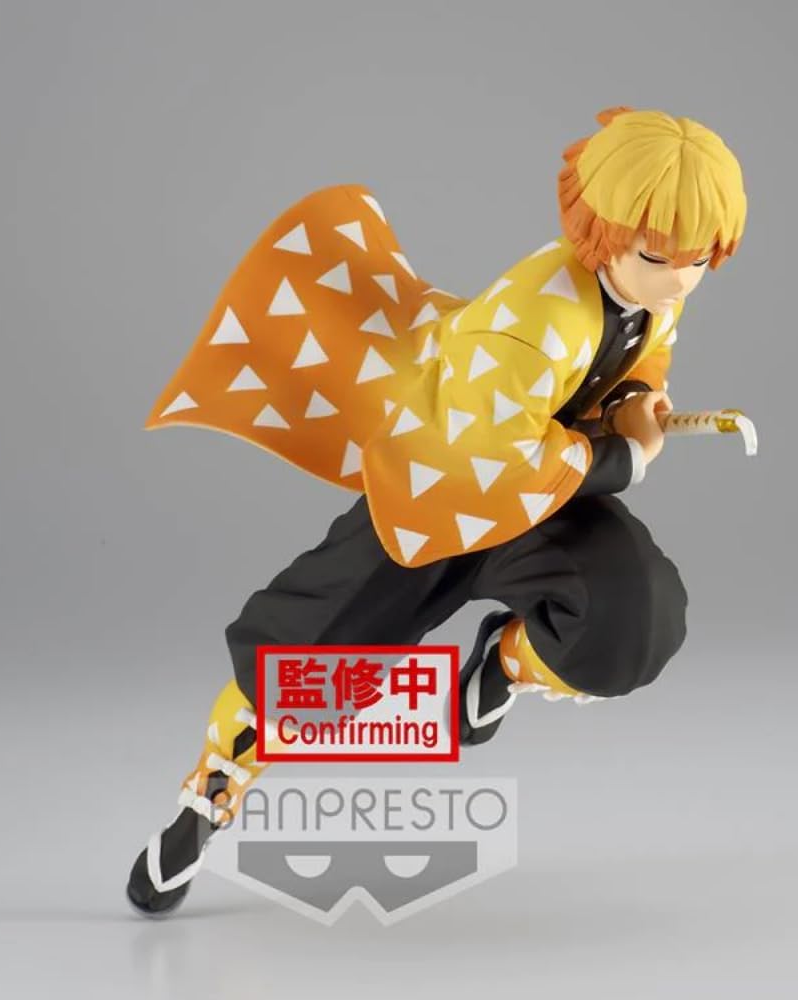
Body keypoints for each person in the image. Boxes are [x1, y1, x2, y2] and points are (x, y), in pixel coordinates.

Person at [126, 104, 748, 915]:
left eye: (699, 261)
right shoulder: (534, 319)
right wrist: (625, 458)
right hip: (432, 501)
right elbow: (492, 458)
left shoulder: (652, 287)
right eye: (660, 257)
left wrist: (634, 395)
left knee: (633, 618)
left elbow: (649, 345)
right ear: (599, 229)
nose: (680, 280)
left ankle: (504, 664)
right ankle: (210, 796)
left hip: (539, 501)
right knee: (302, 664)